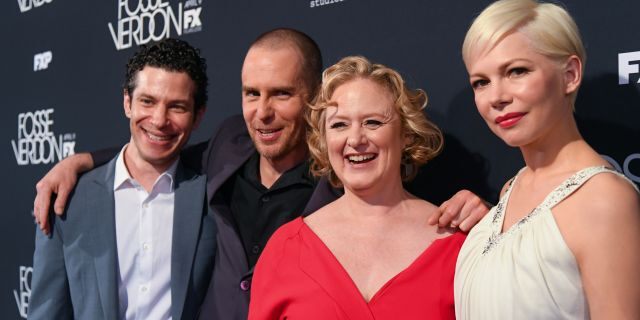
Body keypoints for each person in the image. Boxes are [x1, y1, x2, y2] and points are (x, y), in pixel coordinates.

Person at [32, 29, 488, 319]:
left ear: (312, 101)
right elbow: (158, 140)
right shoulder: (223, 153)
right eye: (252, 93)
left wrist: (483, 212)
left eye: (282, 94)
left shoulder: (348, 180)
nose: (263, 113)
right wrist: (84, 161)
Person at [453, 0, 640, 319]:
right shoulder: (511, 189)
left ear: (570, 74)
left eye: (516, 71)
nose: (497, 97)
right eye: (481, 82)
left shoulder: (604, 200)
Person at [249, 56, 465, 319]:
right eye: (339, 125)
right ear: (324, 140)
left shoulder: (458, 244)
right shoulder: (285, 249)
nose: (355, 139)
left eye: (372, 122)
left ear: (406, 133)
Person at [28, 39, 216, 319]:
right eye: (147, 101)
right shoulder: (68, 199)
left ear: (198, 116)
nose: (159, 120)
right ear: (127, 102)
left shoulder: (212, 193)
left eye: (177, 107)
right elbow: (47, 312)